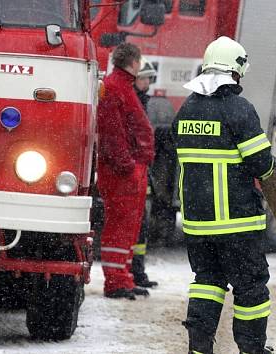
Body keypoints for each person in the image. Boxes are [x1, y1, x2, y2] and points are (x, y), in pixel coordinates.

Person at [172, 36, 274, 354]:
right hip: (237, 223)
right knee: (250, 288)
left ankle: (199, 349)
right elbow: (262, 164)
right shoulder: (238, 108)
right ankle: (251, 349)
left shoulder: (187, 109)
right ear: (236, 70)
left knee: (207, 282)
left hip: (198, 224)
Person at [97, 43, 154, 300]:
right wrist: (128, 167)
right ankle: (115, 281)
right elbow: (113, 134)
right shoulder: (115, 88)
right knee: (120, 224)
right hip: (122, 172)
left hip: (129, 169)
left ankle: (124, 277)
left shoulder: (121, 86)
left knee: (128, 226)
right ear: (134, 62)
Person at [131, 57, 159, 289]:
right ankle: (133, 272)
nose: (148, 83)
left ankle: (136, 271)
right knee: (136, 225)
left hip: (140, 170)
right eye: (145, 78)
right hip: (134, 171)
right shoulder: (133, 101)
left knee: (141, 225)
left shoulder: (140, 100)